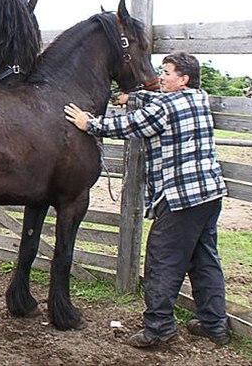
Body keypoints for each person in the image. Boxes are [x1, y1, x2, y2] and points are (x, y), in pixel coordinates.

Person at [63, 52, 230, 348]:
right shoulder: (198, 98)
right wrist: (133, 98)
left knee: (161, 261)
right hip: (209, 195)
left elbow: (131, 127)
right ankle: (214, 324)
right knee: (204, 259)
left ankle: (159, 328)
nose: (161, 76)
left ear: (183, 79)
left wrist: (88, 123)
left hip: (180, 198)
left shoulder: (165, 105)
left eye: (167, 72)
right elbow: (154, 107)